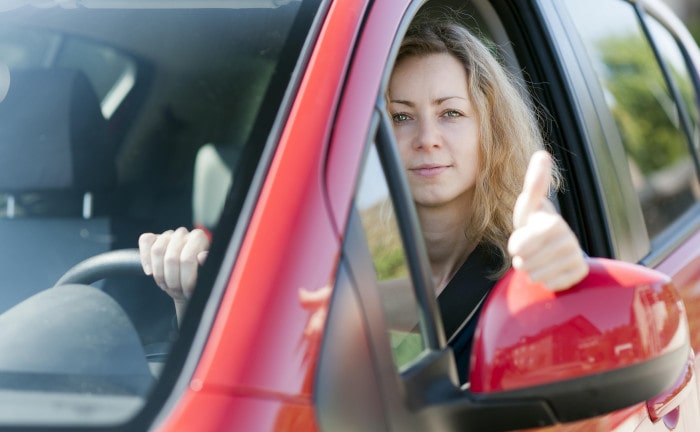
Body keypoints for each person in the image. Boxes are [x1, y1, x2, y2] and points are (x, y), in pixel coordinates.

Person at [139, 15, 589, 382]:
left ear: (488, 132)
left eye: (450, 113)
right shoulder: (331, 267)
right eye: (399, 117)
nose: (427, 139)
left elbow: (578, 364)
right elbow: (253, 392)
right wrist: (190, 298)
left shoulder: (526, 258)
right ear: (367, 137)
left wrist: (567, 284)